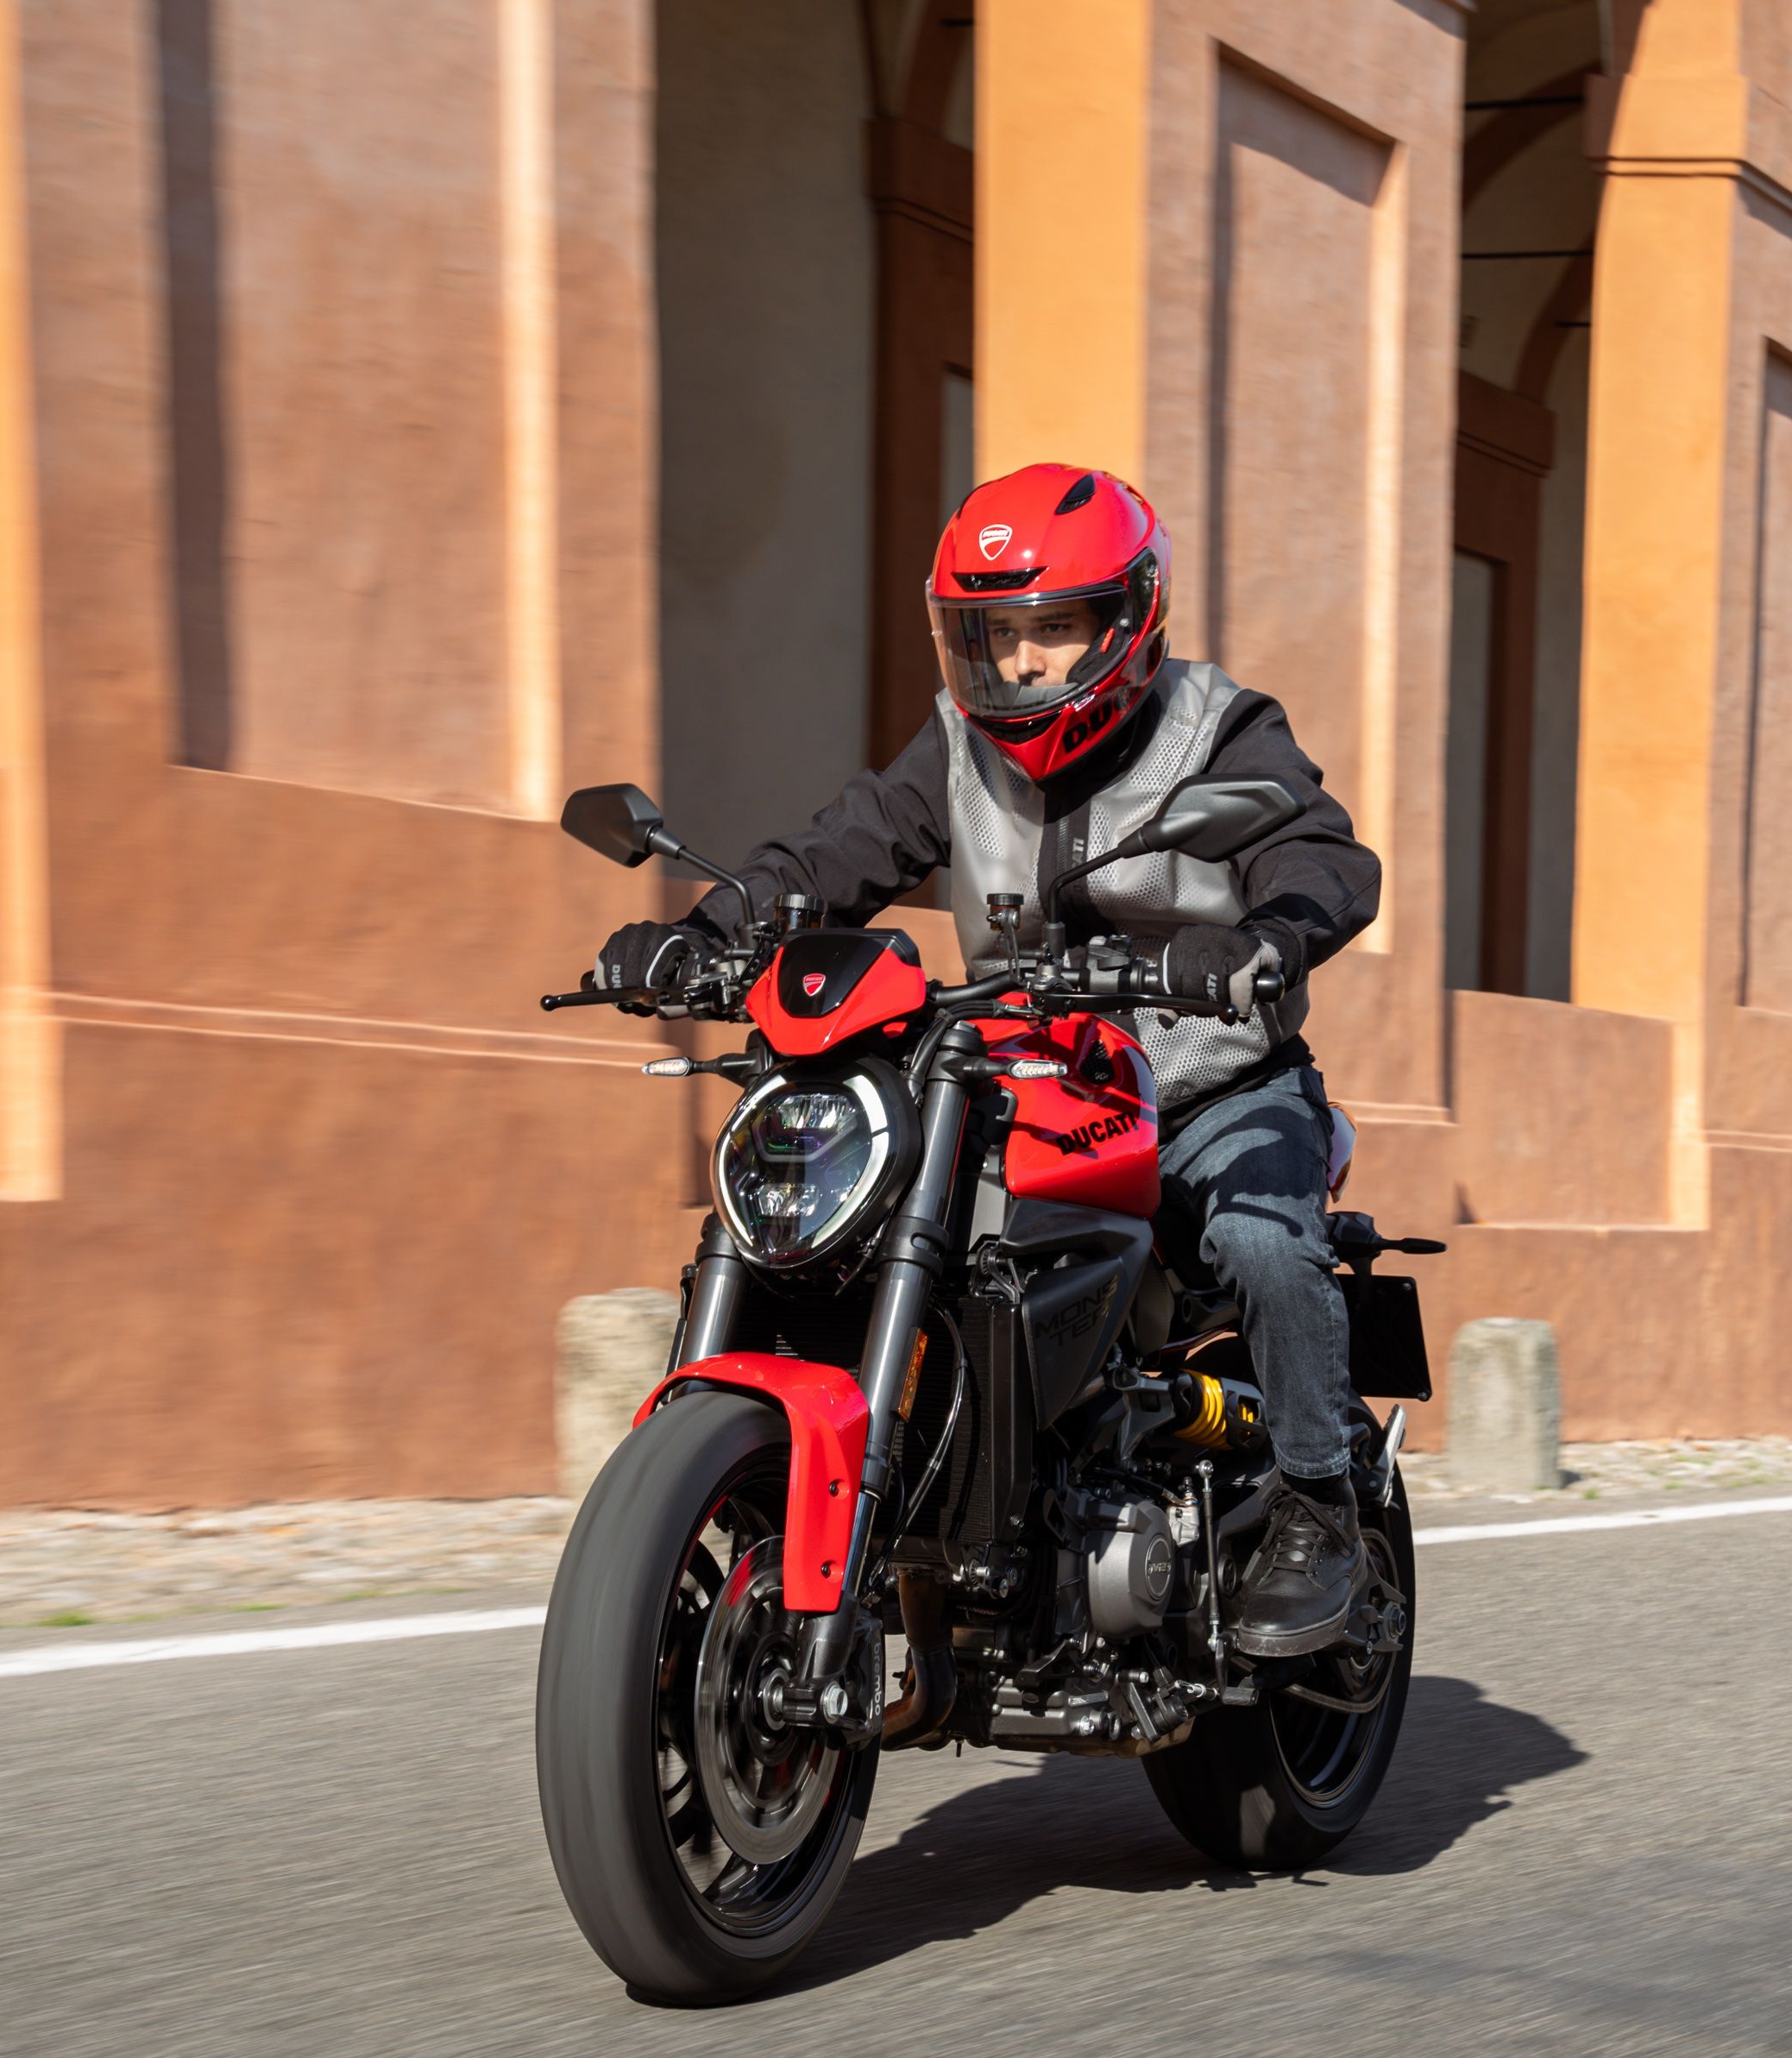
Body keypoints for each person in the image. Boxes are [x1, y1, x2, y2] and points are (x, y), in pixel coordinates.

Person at [592, 463, 1386, 1657]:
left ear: (1125, 622)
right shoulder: (961, 745)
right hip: (1023, 1079)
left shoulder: (1220, 728)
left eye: (1049, 630)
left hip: (1207, 1083)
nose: (1018, 663)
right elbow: (840, 850)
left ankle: (1321, 1509)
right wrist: (708, 933)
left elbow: (1323, 855)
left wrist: (1265, 940)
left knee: (1266, 1248)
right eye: (993, 635)